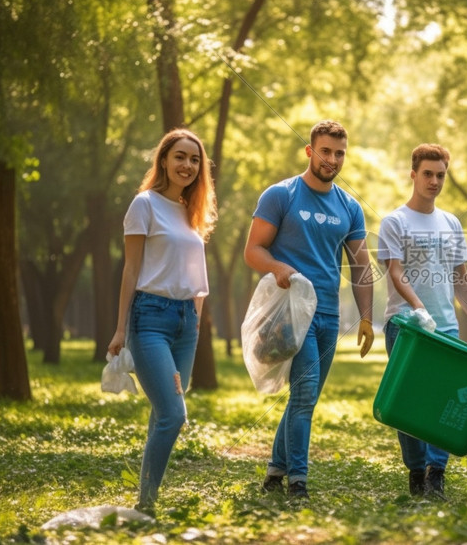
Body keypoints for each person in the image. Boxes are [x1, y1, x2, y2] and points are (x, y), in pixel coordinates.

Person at [244, 120, 374, 500]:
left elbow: (361, 266)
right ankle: (297, 481)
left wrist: (366, 317)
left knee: (306, 395)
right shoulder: (281, 195)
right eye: (325, 151)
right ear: (309, 151)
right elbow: (254, 250)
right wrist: (278, 267)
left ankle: (275, 470)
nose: (332, 159)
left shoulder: (350, 207)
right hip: (290, 312)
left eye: (339, 153)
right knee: (304, 395)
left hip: (328, 316)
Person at [107, 128, 218, 516]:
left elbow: (197, 275)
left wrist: (197, 323)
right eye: (180, 157)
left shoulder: (193, 211)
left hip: (186, 322)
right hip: (149, 319)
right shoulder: (145, 205)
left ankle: (146, 497)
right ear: (164, 161)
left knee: (162, 412)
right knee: (174, 414)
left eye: (194, 159)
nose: (187, 165)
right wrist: (121, 328)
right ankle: (147, 502)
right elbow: (131, 269)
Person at [378, 143, 467, 500]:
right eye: (428, 174)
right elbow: (395, 273)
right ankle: (415, 469)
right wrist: (418, 308)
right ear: (413, 174)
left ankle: (436, 472)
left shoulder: (451, 223)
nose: (435, 181)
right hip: (406, 326)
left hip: (446, 328)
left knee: (443, 402)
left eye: (441, 175)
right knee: (408, 404)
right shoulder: (395, 221)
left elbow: (462, 279)